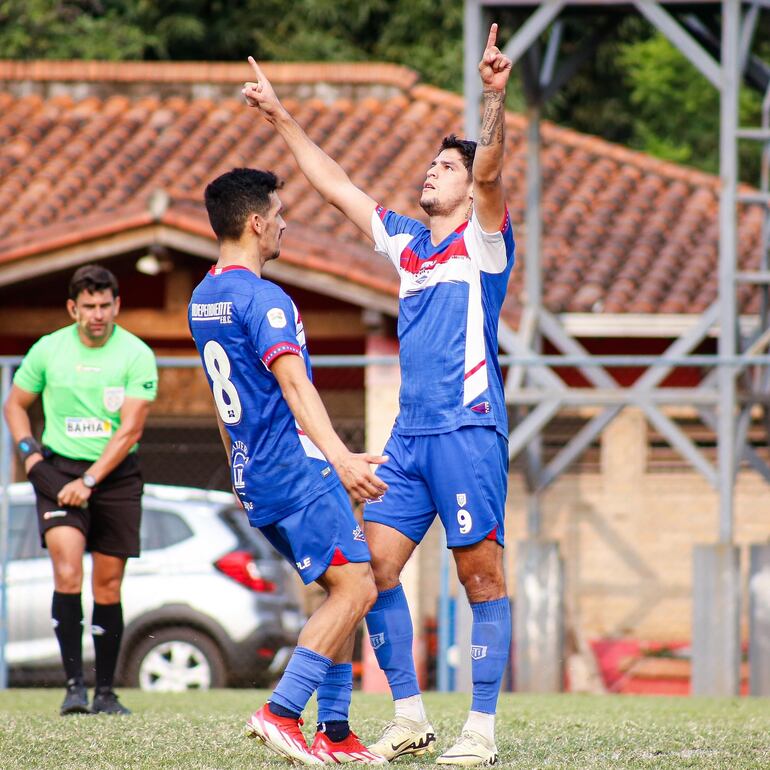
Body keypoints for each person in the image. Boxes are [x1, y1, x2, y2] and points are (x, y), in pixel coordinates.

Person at [242, 23, 515, 766]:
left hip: (469, 428)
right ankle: (411, 715)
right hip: (410, 437)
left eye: (444, 167)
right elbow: (335, 187)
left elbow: (490, 174)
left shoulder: (483, 240)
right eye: (429, 165)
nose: (432, 173)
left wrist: (493, 98)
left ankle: (482, 732)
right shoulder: (409, 242)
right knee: (375, 570)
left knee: (479, 573)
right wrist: (282, 117)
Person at [189, 167, 390, 766]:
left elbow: (223, 399)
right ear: (255, 222)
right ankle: (280, 712)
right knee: (358, 587)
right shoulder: (265, 299)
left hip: (257, 473)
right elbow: (297, 389)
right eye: (278, 213)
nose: (284, 223)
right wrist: (343, 459)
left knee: (341, 586)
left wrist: (237, 470)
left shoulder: (204, 297)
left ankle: (334, 732)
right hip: (296, 469)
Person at [3, 265, 158, 716]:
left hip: (114, 477)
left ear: (117, 305)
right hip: (56, 471)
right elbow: (14, 404)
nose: (97, 314)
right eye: (88, 306)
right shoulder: (48, 350)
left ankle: (105, 692)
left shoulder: (136, 354)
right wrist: (30, 455)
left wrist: (89, 482)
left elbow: (129, 430)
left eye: (104, 305)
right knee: (67, 572)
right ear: (73, 308)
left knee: (107, 585)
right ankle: (74, 688)